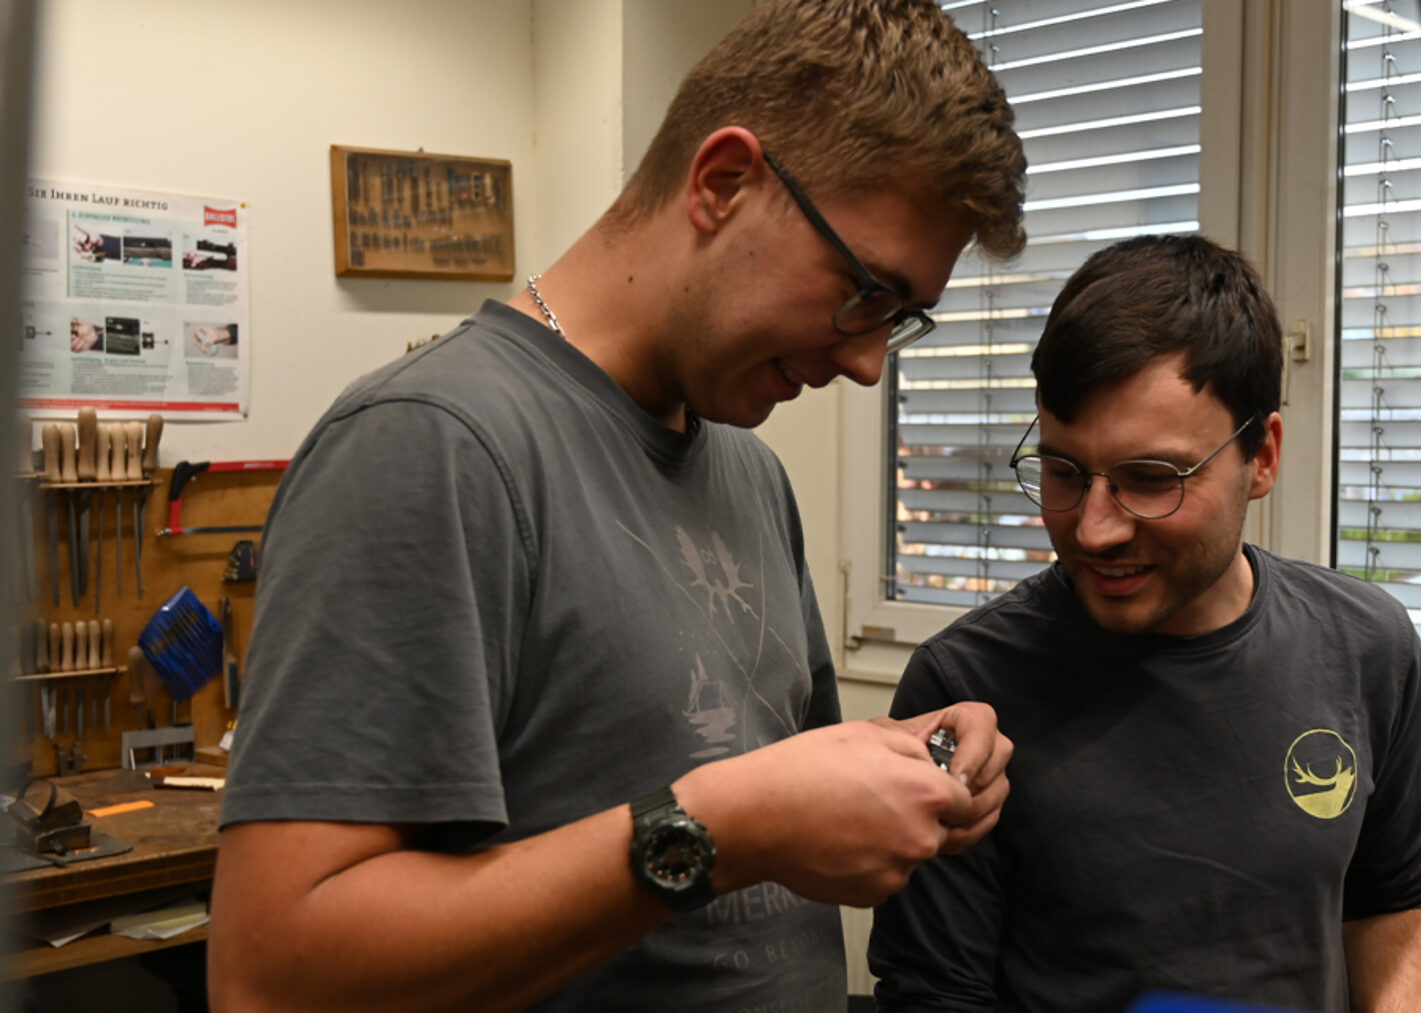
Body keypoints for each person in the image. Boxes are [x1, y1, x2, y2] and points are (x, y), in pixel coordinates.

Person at [208, 2, 1026, 1011]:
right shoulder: (432, 444)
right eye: (863, 291)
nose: (865, 363)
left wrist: (905, 766)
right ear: (723, 183)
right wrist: (719, 827)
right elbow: (271, 974)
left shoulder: (745, 467)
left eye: (900, 320)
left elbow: (753, 789)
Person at [869, 234, 1421, 1012]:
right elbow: (936, 991)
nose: (1095, 528)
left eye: (1151, 479)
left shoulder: (1369, 648)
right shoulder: (963, 686)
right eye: (1063, 471)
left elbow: (1396, 895)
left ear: (1263, 456)